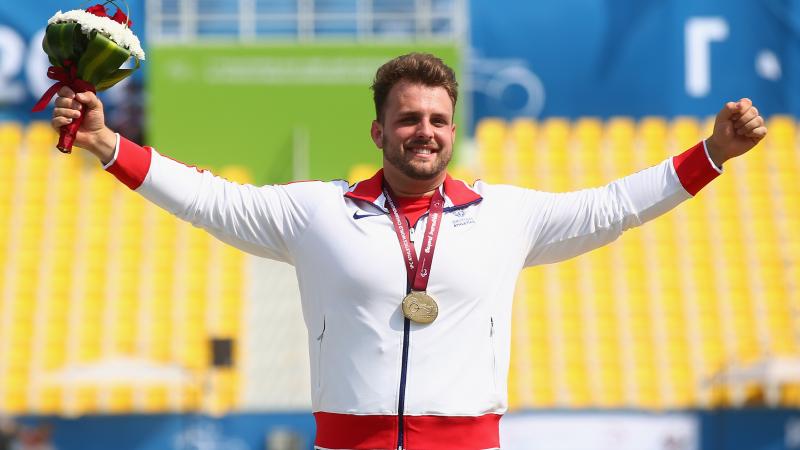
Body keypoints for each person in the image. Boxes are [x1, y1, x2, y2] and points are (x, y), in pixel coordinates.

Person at [50, 53, 766, 450]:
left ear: (453, 131)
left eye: (437, 120)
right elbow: (212, 200)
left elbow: (611, 208)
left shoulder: (505, 216)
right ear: (378, 130)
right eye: (407, 119)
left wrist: (712, 153)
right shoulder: (316, 213)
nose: (423, 131)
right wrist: (109, 145)